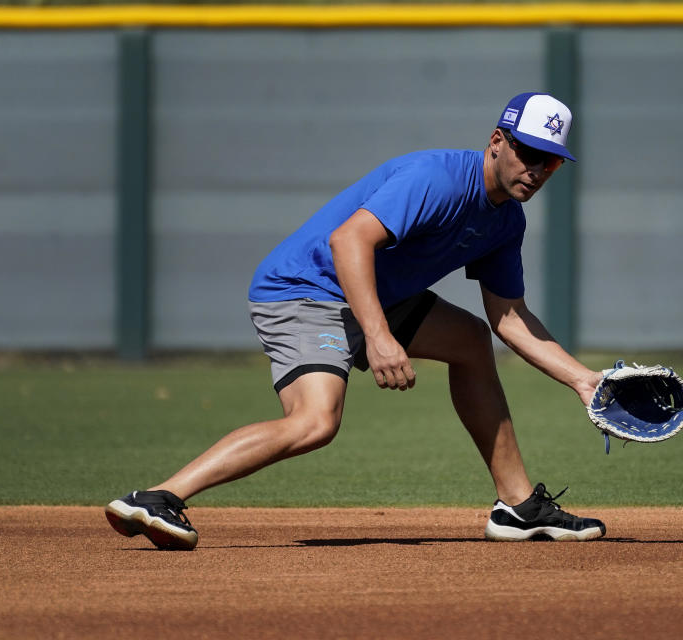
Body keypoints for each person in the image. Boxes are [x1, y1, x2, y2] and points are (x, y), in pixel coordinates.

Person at [104, 92, 608, 550]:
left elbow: (509, 317)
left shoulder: (504, 222)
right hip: (305, 289)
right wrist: (379, 336)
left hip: (379, 295)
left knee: (470, 340)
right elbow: (348, 241)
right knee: (315, 422)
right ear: (497, 141)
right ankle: (159, 497)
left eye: (551, 161)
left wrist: (584, 382)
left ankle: (517, 507)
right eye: (529, 152)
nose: (538, 169)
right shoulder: (437, 179)